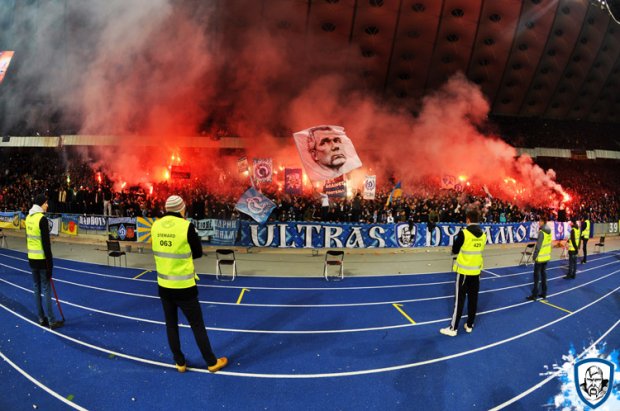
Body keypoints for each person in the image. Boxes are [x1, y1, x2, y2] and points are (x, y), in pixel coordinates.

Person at [151, 195, 227, 373]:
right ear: (181, 209)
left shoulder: (155, 225)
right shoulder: (186, 226)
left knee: (171, 325)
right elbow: (198, 253)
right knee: (197, 325)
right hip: (184, 286)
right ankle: (211, 362)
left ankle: (180, 363)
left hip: (164, 285)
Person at [440, 205, 486, 337]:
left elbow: (455, 249)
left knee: (459, 301)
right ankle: (469, 325)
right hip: (476, 272)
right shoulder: (483, 235)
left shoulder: (464, 233)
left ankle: (453, 328)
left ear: (468, 220)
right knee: (473, 299)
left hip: (464, 272)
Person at [25, 193, 64, 329]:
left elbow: (28, 239)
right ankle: (52, 321)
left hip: (32, 259)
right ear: (41, 204)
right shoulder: (42, 219)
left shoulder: (28, 218)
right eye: (46, 203)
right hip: (42, 260)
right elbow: (46, 245)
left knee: (36, 288)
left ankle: (41, 318)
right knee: (46, 289)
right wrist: (50, 265)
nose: (47, 205)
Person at [526, 215, 552, 301]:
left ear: (543, 222)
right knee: (544, 275)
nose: (538, 223)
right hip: (546, 257)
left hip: (540, 258)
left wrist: (534, 256)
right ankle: (544, 293)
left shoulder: (542, 232)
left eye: (540, 221)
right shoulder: (549, 231)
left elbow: (538, 246)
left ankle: (534, 295)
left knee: (536, 277)